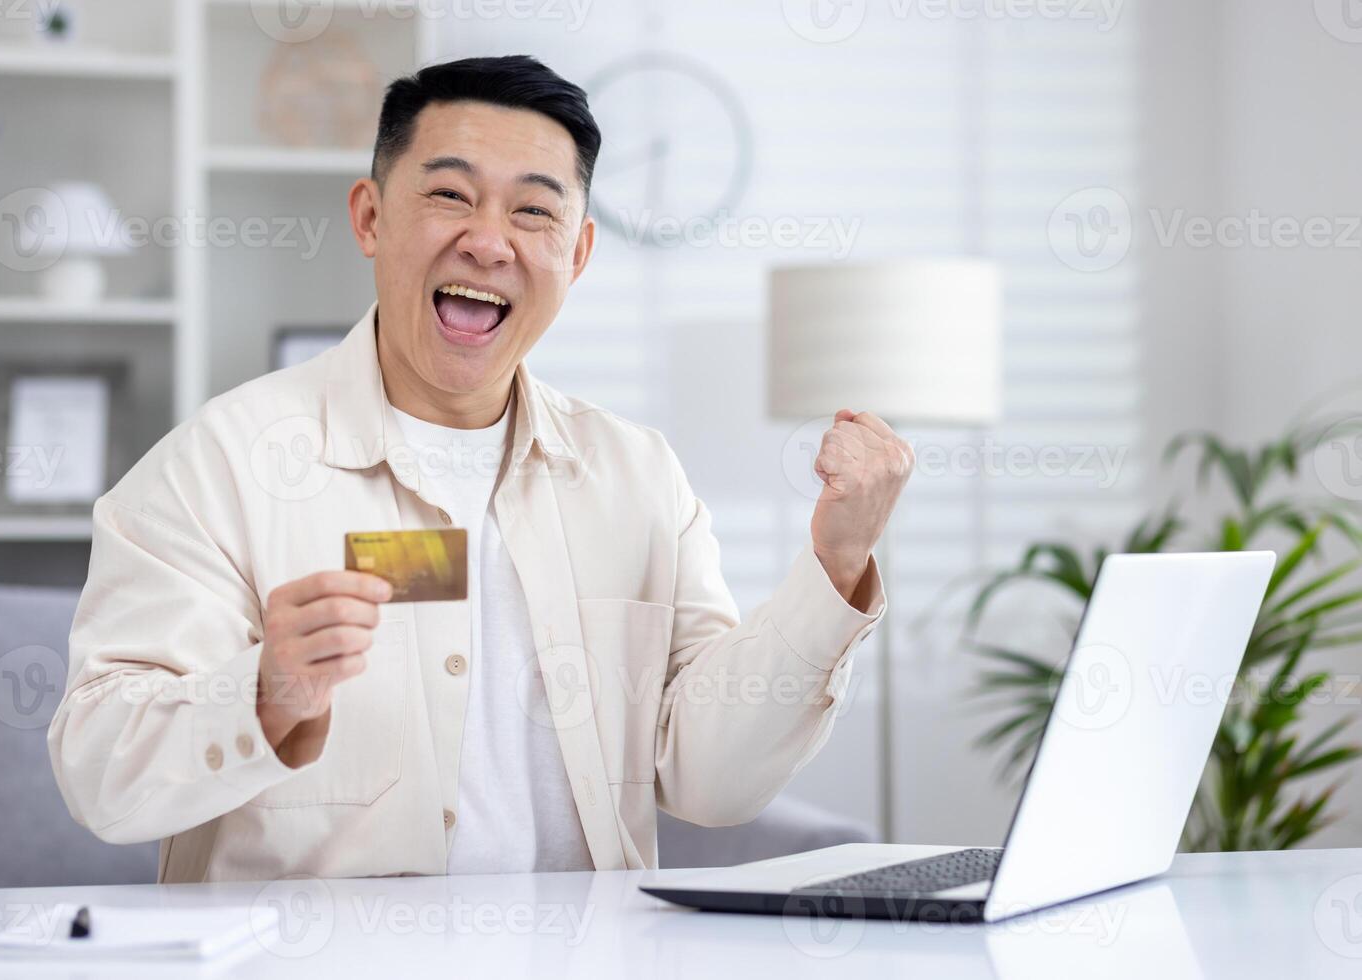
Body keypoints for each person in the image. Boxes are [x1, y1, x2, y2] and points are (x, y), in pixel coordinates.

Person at [48, 55, 913, 883]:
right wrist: (264, 695)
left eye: (535, 213)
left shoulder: (639, 477)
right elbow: (98, 774)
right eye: (450, 195)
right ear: (370, 218)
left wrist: (834, 571)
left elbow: (709, 781)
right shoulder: (223, 465)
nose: (488, 241)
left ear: (576, 255)